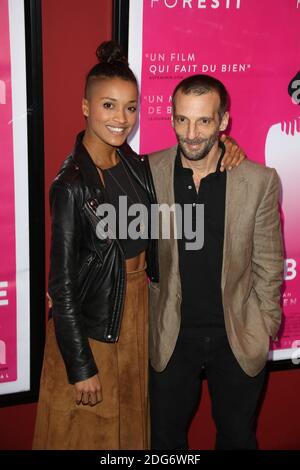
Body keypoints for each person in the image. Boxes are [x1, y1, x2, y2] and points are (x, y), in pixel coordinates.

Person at [33, 42, 244, 450]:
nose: (121, 119)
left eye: (130, 108)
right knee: (87, 435)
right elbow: (61, 286)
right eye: (108, 106)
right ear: (85, 106)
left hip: (136, 320)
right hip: (94, 325)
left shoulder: (135, 164)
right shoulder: (71, 185)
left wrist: (228, 147)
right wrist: (79, 366)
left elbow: (190, 161)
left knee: (129, 434)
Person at [148, 74, 284, 450]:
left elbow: (270, 262)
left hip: (237, 335)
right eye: (182, 119)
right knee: (164, 441)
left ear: (223, 121)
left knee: (238, 438)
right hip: (171, 335)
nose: (191, 133)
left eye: (204, 121)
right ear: (172, 117)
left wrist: (265, 323)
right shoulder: (149, 172)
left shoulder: (258, 180)